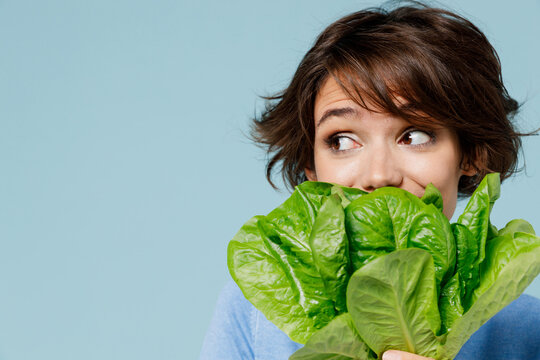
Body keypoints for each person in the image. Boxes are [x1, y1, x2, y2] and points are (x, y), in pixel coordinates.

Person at [200, 3, 540, 360]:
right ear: (311, 167)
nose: (379, 175)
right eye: (342, 141)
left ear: (470, 154)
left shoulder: (528, 330)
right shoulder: (254, 314)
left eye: (414, 135)